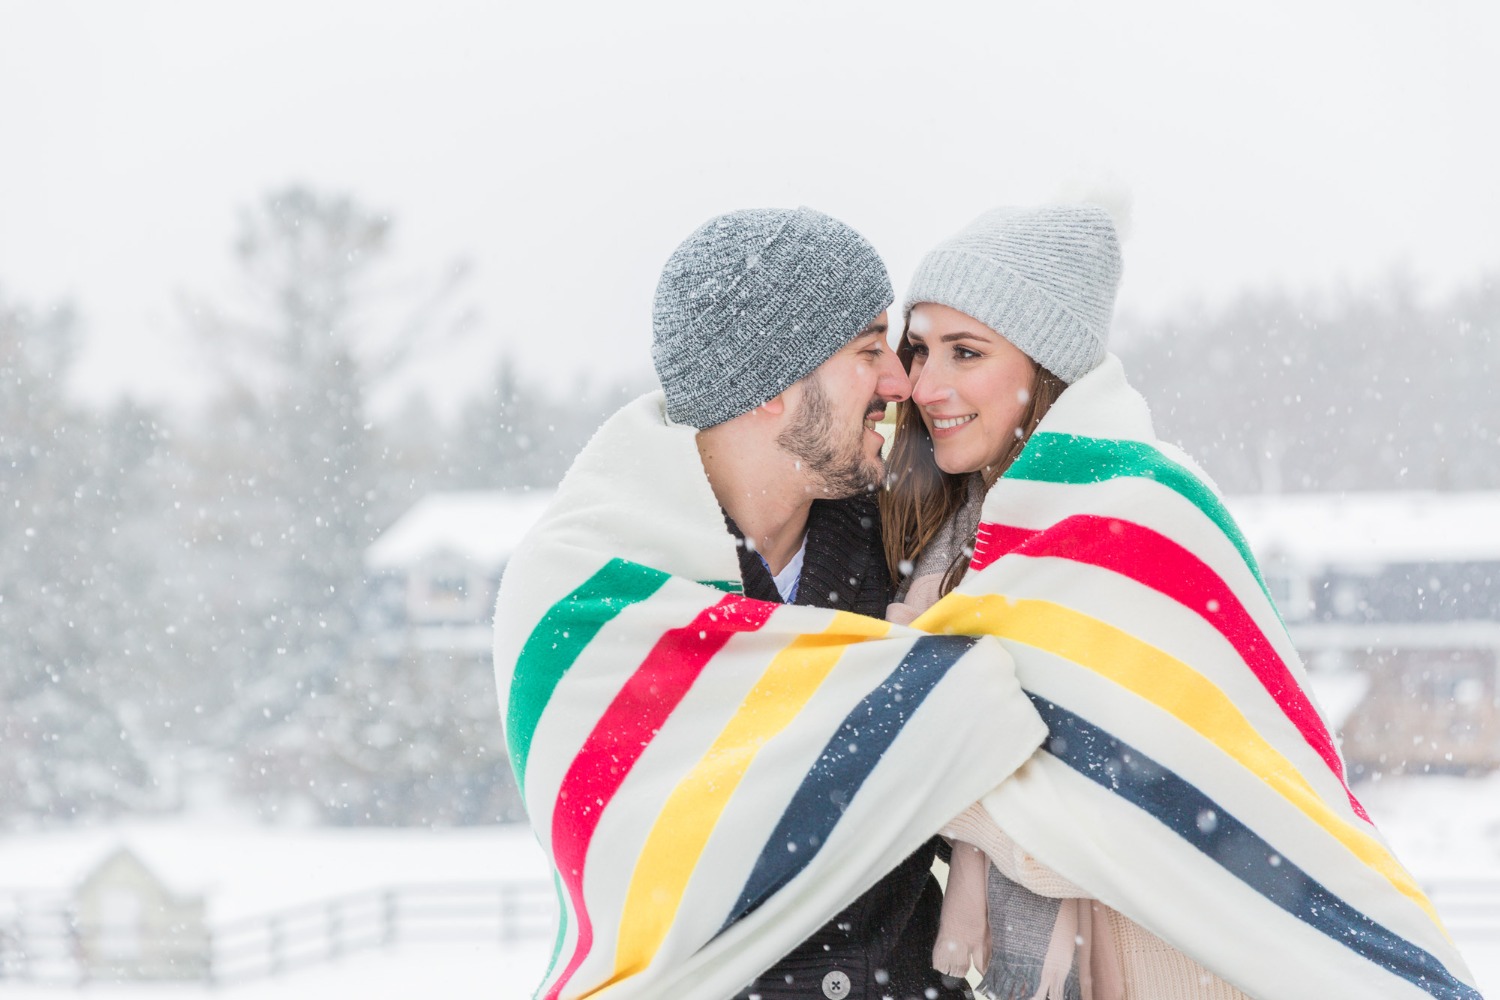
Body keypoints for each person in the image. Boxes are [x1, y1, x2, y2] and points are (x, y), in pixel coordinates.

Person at [878, 205, 1482, 999]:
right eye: (918, 351)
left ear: (1046, 366)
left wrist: (909, 766)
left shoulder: (1141, 514)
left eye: (966, 352)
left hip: (1202, 962)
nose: (926, 385)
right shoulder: (946, 550)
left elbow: (1130, 814)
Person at [492, 207, 1049, 1000]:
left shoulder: (909, 550)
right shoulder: (593, 591)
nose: (900, 383)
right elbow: (632, 851)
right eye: (868, 352)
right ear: (773, 388)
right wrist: (945, 704)